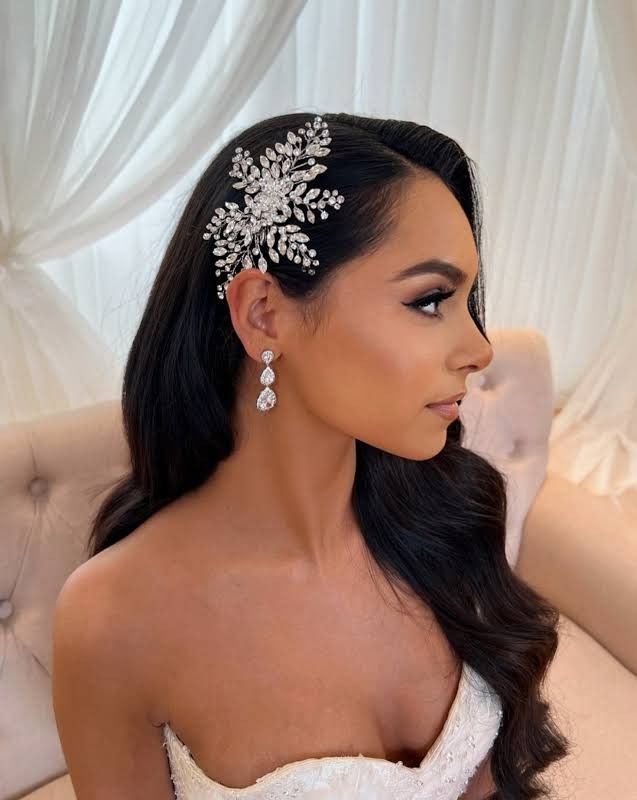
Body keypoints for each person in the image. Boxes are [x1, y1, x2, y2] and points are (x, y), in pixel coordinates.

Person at [52, 112, 570, 799]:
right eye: (429, 300)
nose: (477, 349)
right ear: (264, 312)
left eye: (466, 300)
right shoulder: (113, 619)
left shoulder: (448, 516)